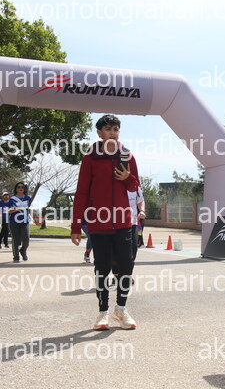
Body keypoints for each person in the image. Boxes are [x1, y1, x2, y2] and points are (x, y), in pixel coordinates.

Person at [71, 114, 139, 331]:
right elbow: (81, 192)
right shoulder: (90, 158)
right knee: (102, 268)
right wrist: (76, 226)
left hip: (123, 221)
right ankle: (103, 313)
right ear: (99, 133)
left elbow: (134, 187)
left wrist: (127, 178)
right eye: (108, 129)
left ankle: (121, 309)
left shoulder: (127, 156)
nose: (113, 133)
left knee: (126, 264)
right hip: (98, 222)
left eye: (116, 129)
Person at [8, 182, 32, 262]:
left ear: (24, 189)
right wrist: (16, 209)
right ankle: (16, 256)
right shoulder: (12, 199)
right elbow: (8, 210)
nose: (20, 188)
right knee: (16, 239)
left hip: (25, 221)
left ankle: (23, 251)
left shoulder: (28, 198)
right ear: (16, 189)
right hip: (14, 221)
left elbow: (29, 209)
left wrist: (32, 217)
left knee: (26, 239)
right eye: (19, 187)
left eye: (22, 187)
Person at [127, 187, 145, 260]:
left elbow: (141, 201)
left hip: (133, 223)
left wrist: (142, 211)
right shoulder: (115, 185)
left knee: (134, 246)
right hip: (118, 224)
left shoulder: (135, 188)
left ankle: (129, 264)